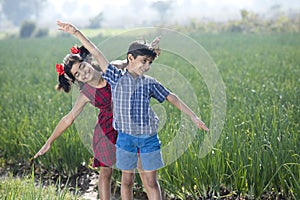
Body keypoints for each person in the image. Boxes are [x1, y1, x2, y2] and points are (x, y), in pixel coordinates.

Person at [55, 20, 209, 200]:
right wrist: (76, 32)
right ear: (130, 58)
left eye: (149, 62)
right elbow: (96, 52)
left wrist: (193, 116)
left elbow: (171, 97)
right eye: (144, 61)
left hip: (148, 138)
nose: (147, 66)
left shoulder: (150, 82)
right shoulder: (114, 76)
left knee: (150, 182)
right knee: (126, 181)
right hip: (125, 139)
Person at [34, 44, 125, 200]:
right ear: (75, 79)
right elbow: (68, 118)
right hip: (105, 132)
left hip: (126, 127)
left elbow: (130, 62)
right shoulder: (86, 94)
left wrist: (148, 52)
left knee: (128, 171)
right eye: (77, 73)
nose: (83, 72)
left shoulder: (110, 69)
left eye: (82, 66)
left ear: (88, 60)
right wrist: (49, 141)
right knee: (105, 172)